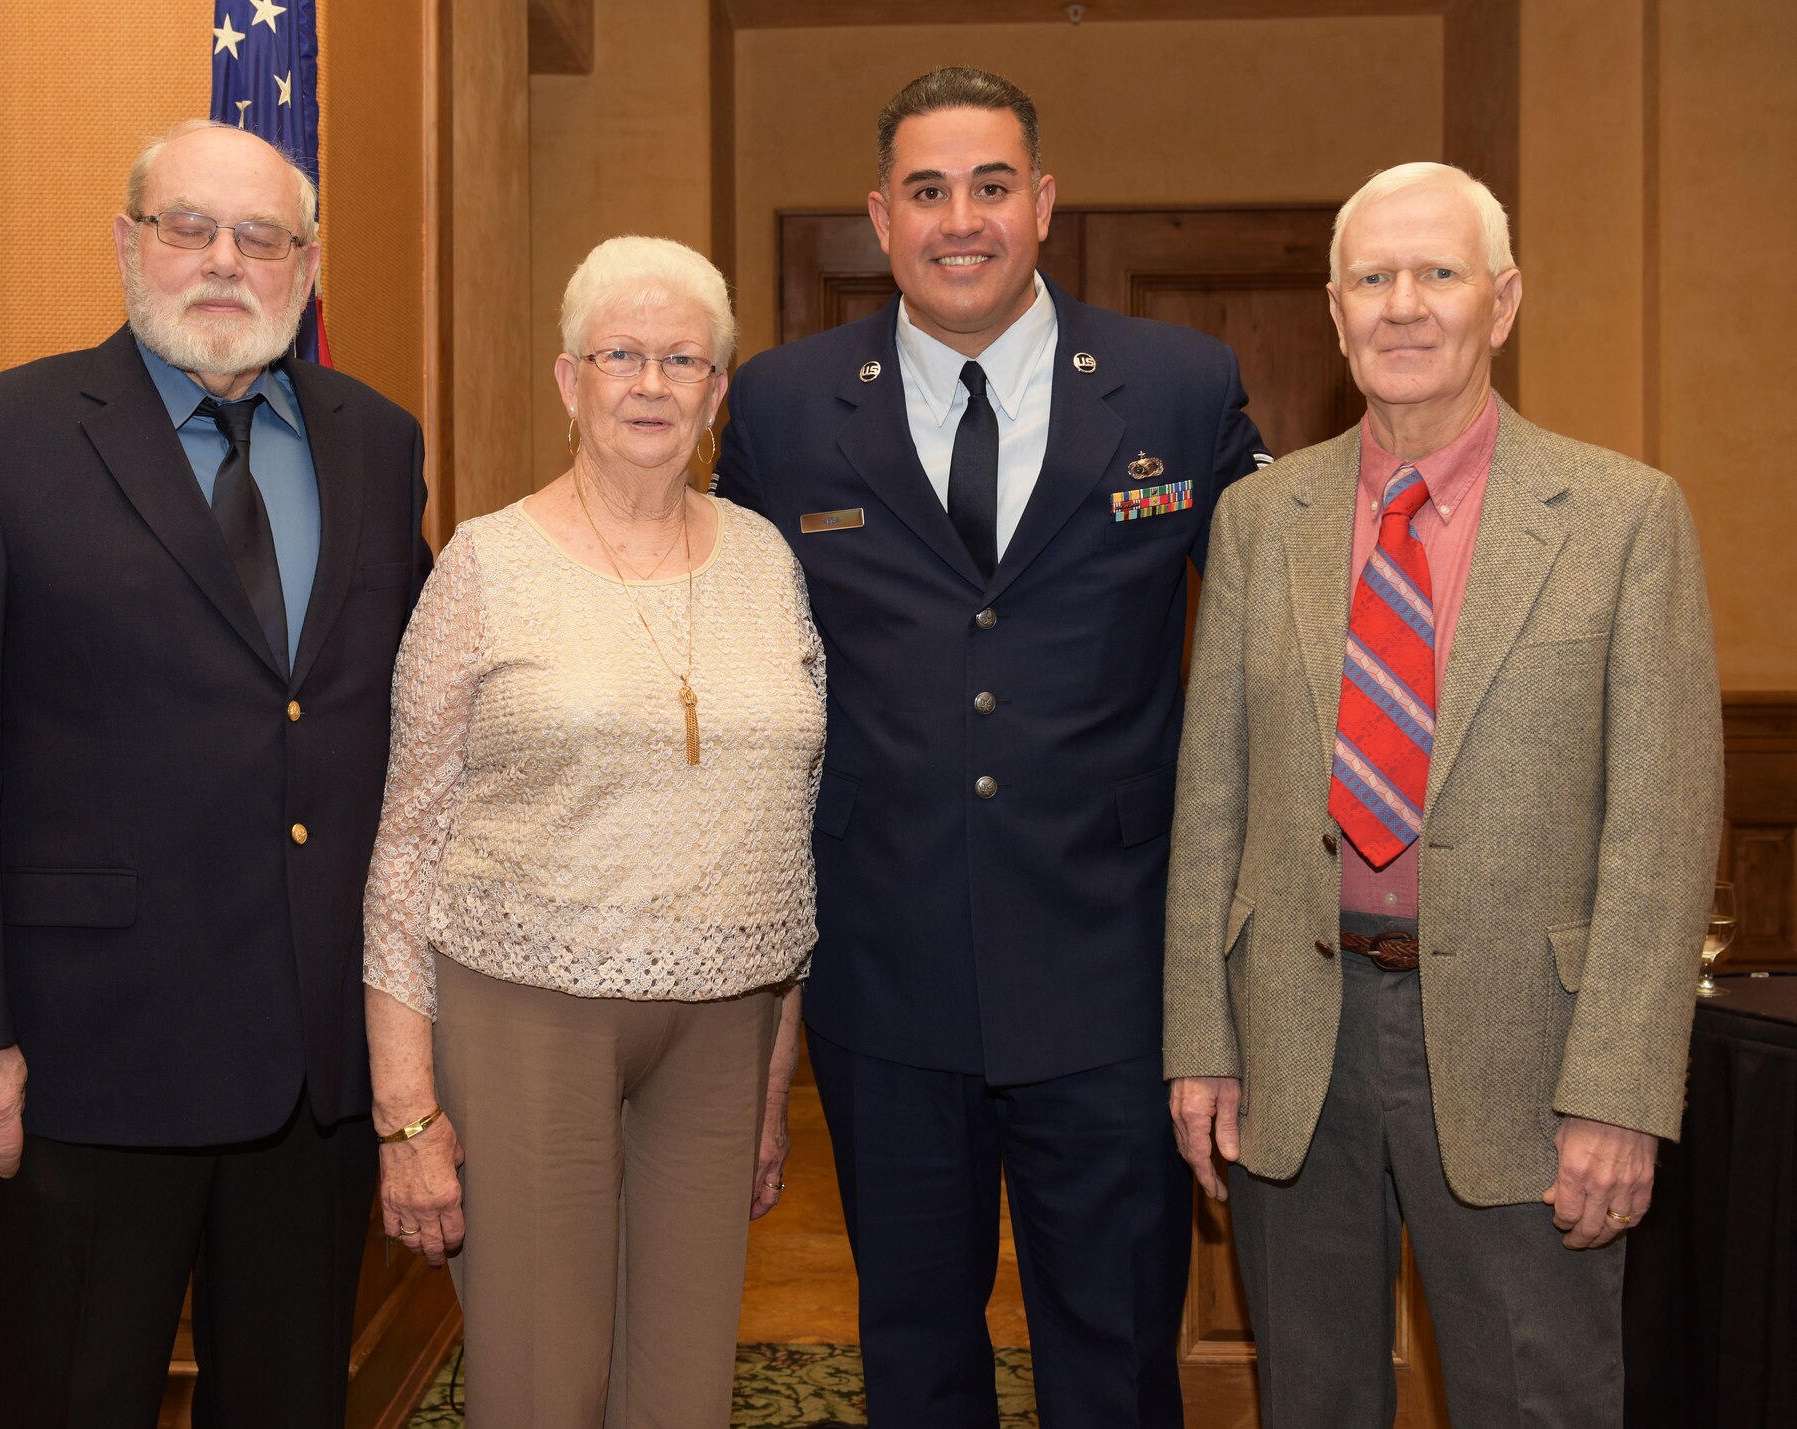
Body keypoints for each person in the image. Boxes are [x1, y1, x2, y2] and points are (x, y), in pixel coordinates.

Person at [0, 119, 430, 1426]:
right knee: (75, 1397)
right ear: (129, 241)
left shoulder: (377, 444)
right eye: (188, 226)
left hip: (313, 1068)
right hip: (81, 1060)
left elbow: (406, 719)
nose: (225, 260)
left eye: (261, 235)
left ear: (306, 263)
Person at [720, 67, 1270, 1428]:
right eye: (925, 191)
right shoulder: (784, 407)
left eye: (989, 185)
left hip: (1110, 968)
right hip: (885, 968)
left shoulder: (1180, 388)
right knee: (913, 1351)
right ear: (879, 214)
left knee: (1117, 1351)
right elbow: (723, 656)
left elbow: (1283, 638)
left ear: (1043, 200)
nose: (958, 219)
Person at [1164, 161, 1724, 1427]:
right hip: (1293, 1039)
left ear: (1502, 302)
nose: (1401, 305)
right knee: (1308, 1400)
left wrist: (1620, 1095)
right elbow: (1213, 799)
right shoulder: (1261, 520)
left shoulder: (1622, 519)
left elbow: (1659, 829)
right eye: (1371, 277)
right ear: (1332, 308)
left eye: (1437, 274)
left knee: (1540, 1400)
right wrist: (1200, 1039)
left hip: (1529, 1054)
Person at [361, 234, 822, 1428]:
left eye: (683, 359)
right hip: (524, 1010)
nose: (652, 384)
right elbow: (405, 840)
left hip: (727, 1027)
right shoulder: (484, 564)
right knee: (540, 1382)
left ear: (719, 391)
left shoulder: (768, 561)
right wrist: (404, 1108)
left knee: (682, 1391)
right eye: (621, 354)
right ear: (570, 381)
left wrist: (776, 1069)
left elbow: (791, 829)